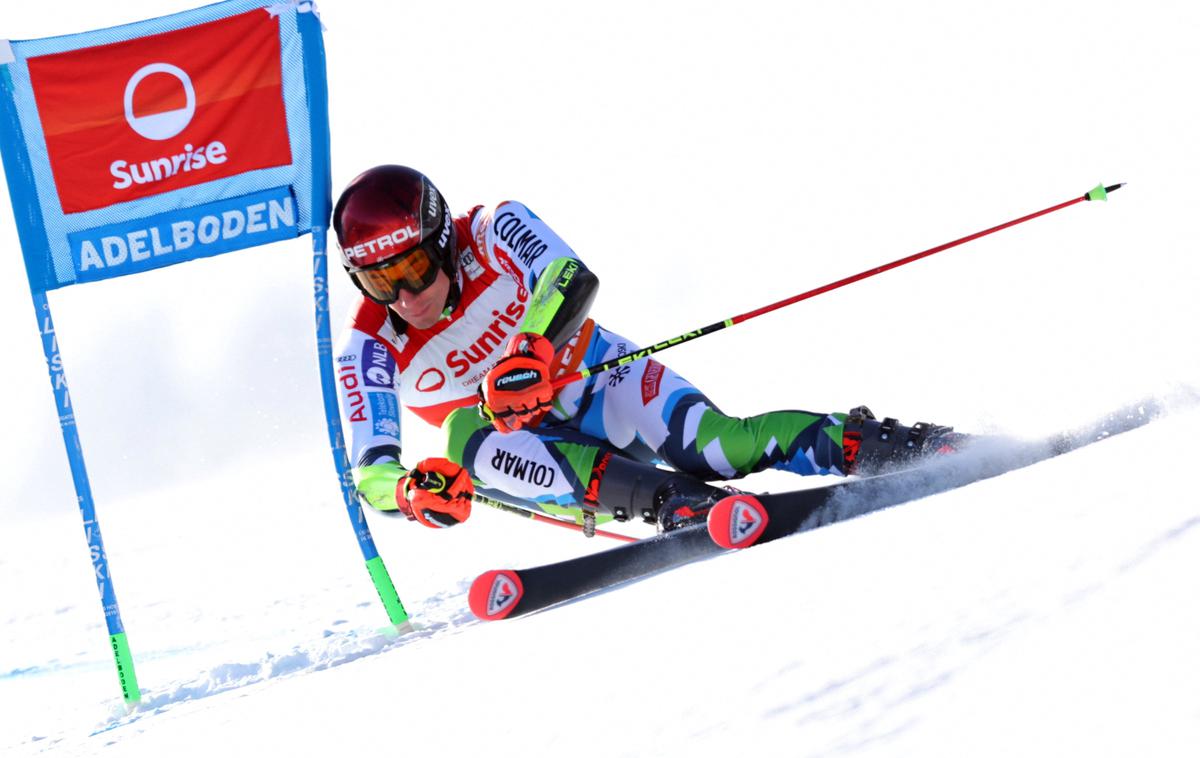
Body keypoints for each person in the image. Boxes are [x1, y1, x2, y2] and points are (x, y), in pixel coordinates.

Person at [332, 165, 961, 535]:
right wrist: (412, 492)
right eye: (379, 281)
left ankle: (904, 446)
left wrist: (530, 351)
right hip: (534, 456)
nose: (405, 295)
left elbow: (568, 277)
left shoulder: (493, 227)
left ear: (441, 240)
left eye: (413, 266)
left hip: (599, 382)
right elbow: (371, 473)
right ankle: (677, 507)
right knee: (466, 432)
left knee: (718, 447)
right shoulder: (369, 348)